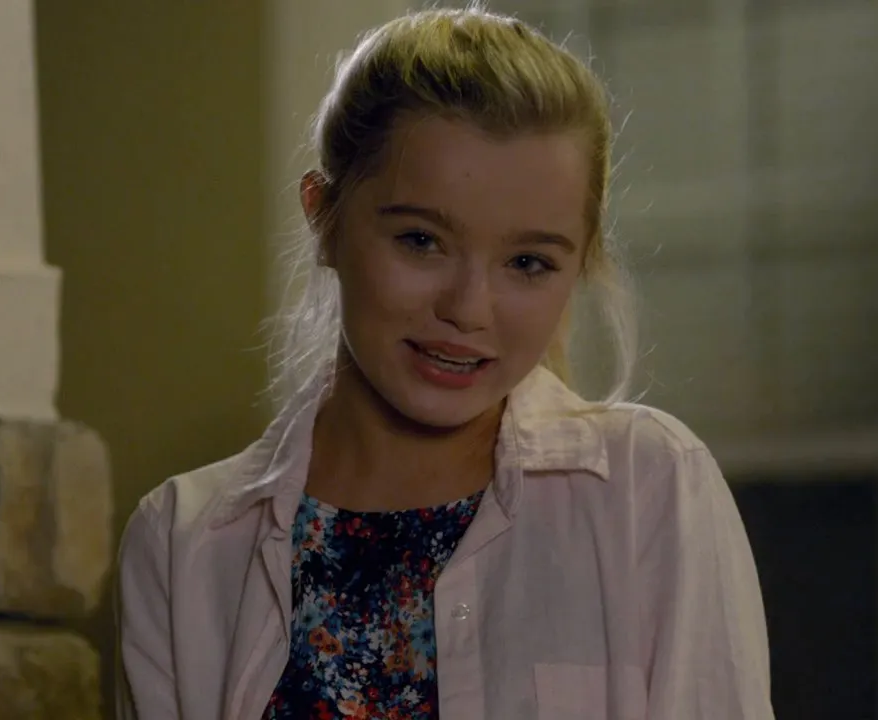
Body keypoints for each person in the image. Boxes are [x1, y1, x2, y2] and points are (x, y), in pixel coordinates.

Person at [116, 7, 773, 719]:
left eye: (528, 262)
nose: (468, 310)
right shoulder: (182, 541)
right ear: (324, 218)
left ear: (580, 264)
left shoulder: (649, 490)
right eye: (421, 241)